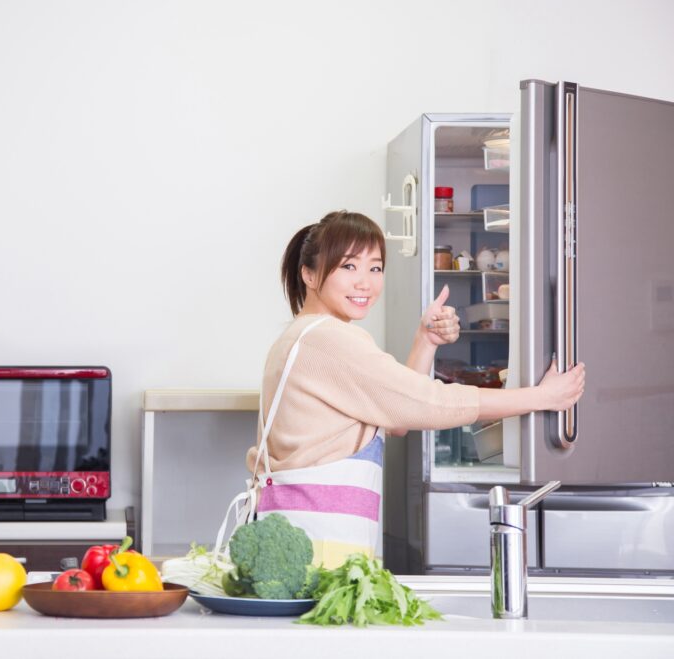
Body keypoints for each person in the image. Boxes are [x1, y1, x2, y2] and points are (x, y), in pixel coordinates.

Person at [246, 210, 585, 568]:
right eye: (349, 267)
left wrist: (425, 341)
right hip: (315, 551)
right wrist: (541, 397)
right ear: (309, 274)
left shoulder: (301, 336)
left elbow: (397, 419)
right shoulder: (329, 340)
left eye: (375, 268)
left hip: (299, 541)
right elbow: (429, 403)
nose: (365, 282)